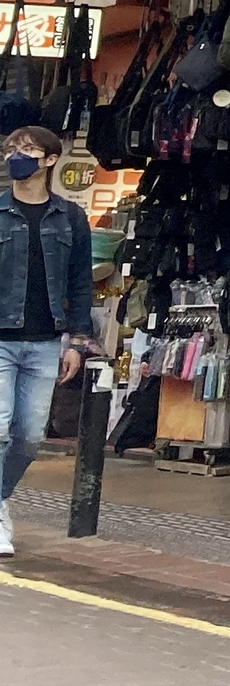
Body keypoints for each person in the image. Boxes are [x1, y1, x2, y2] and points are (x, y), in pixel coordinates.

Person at [0, 123, 93, 556]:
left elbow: (79, 282)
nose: (16, 155)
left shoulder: (71, 216)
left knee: (30, 436)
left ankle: (0, 496)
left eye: (27, 149)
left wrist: (77, 341)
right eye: (11, 149)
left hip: (44, 340)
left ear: (51, 159)